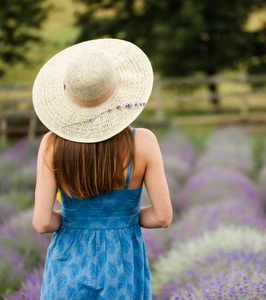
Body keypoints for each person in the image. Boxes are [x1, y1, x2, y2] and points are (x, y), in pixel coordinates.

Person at [32, 39, 172, 299]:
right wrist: (121, 217)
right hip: (122, 265)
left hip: (68, 265)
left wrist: (78, 218)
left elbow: (41, 223)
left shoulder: (51, 145)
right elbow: (162, 217)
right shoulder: (144, 142)